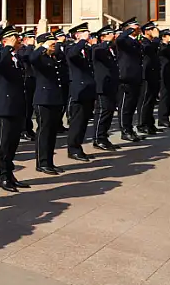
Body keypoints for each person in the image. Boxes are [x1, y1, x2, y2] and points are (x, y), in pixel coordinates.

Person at [28, 32, 65, 176]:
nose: (53, 45)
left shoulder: (53, 57)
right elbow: (32, 58)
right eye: (51, 43)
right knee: (44, 132)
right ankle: (42, 163)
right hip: (43, 99)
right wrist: (43, 46)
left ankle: (49, 162)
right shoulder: (39, 57)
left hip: (54, 98)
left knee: (52, 133)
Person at [65, 23, 95, 162]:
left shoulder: (86, 49)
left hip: (88, 89)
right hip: (78, 89)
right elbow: (72, 55)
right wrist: (82, 41)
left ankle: (78, 146)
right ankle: (73, 149)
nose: (88, 34)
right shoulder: (71, 47)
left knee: (84, 121)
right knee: (77, 121)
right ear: (77, 35)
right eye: (84, 32)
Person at [115, 19, 144, 143]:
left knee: (132, 106)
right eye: (134, 27)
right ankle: (125, 130)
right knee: (125, 105)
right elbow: (119, 40)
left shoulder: (136, 41)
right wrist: (130, 30)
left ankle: (130, 129)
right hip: (126, 77)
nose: (137, 28)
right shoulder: (124, 41)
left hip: (136, 76)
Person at [91, 26, 120, 151]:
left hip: (111, 85)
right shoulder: (98, 48)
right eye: (110, 34)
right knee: (103, 112)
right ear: (102, 37)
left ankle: (104, 136)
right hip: (101, 86)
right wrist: (106, 42)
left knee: (109, 112)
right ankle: (98, 138)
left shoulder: (110, 49)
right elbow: (97, 51)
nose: (113, 36)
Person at [136, 22, 162, 135]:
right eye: (152, 29)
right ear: (146, 31)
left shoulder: (151, 42)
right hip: (145, 75)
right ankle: (142, 124)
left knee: (151, 100)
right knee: (145, 101)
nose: (155, 31)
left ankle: (150, 123)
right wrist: (156, 38)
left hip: (153, 73)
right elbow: (149, 50)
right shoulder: (143, 41)